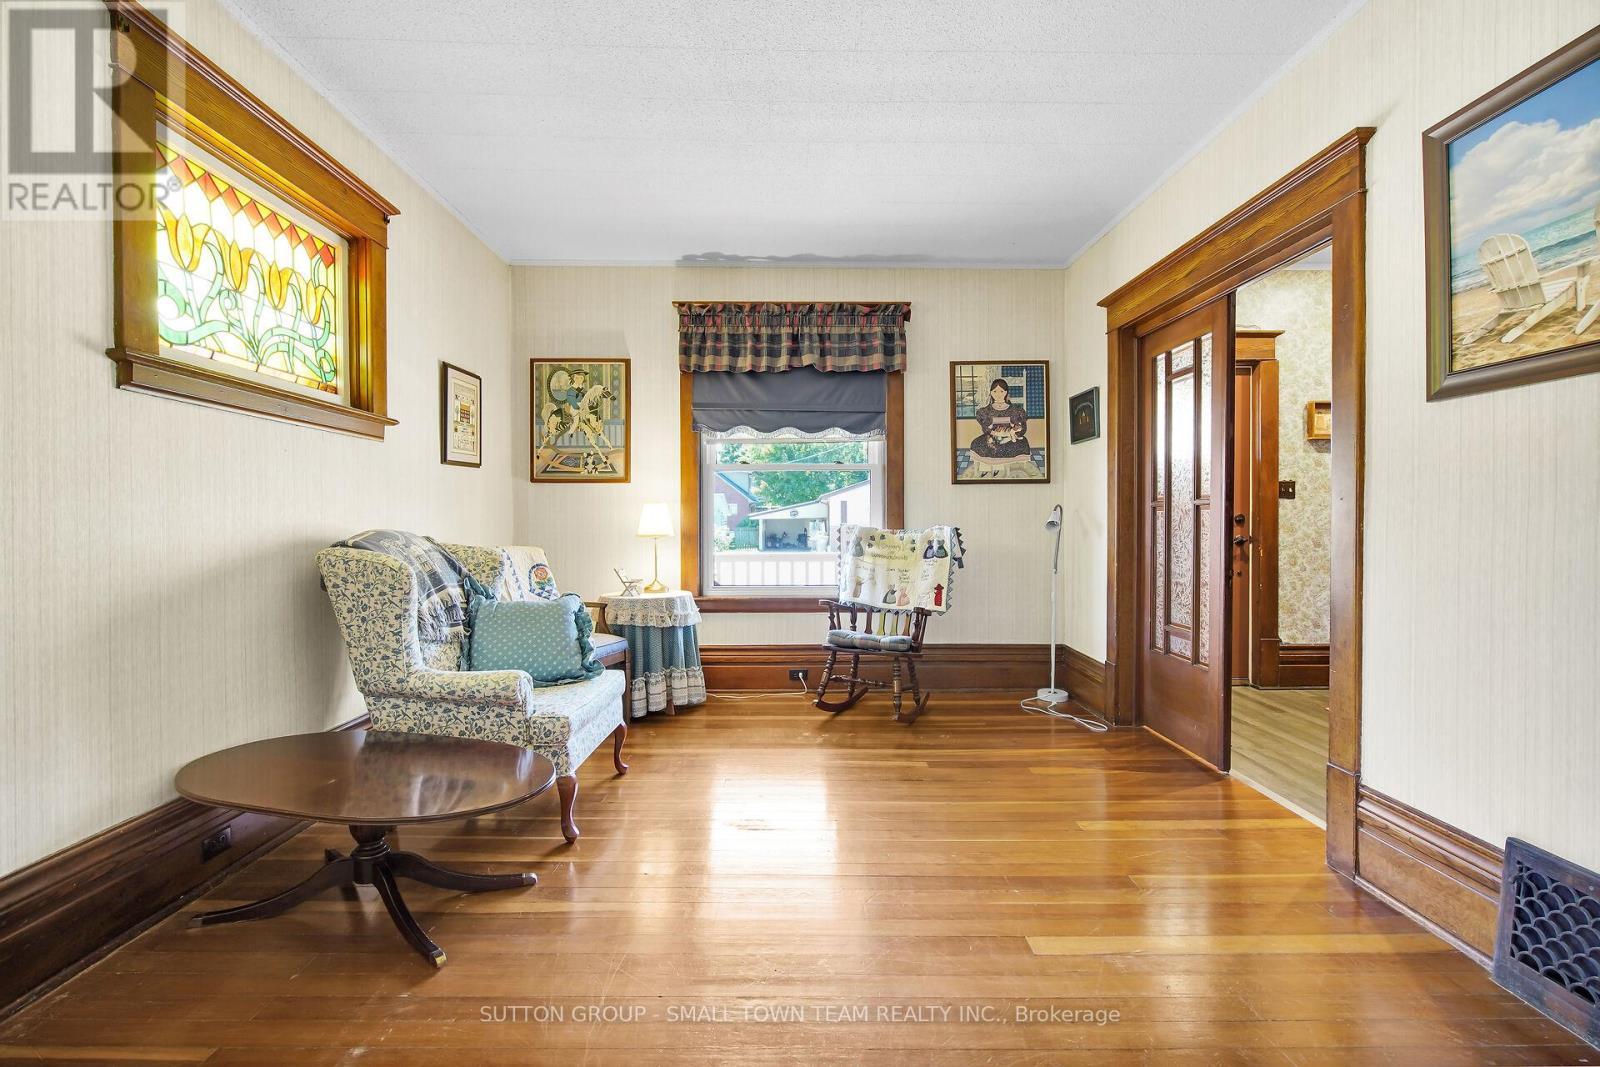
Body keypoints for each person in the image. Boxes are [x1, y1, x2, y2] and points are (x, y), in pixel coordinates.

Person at [968, 378, 1033, 477]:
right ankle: (985, 467)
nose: (998, 394)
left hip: (1008, 435)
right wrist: (993, 433)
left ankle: (999, 468)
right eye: (995, 391)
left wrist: (1013, 432)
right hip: (991, 434)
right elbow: (985, 427)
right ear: (991, 393)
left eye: (1001, 391)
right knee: (981, 444)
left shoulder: (1015, 410)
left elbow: (1021, 427)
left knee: (1003, 446)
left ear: (1006, 392)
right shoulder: (985, 410)